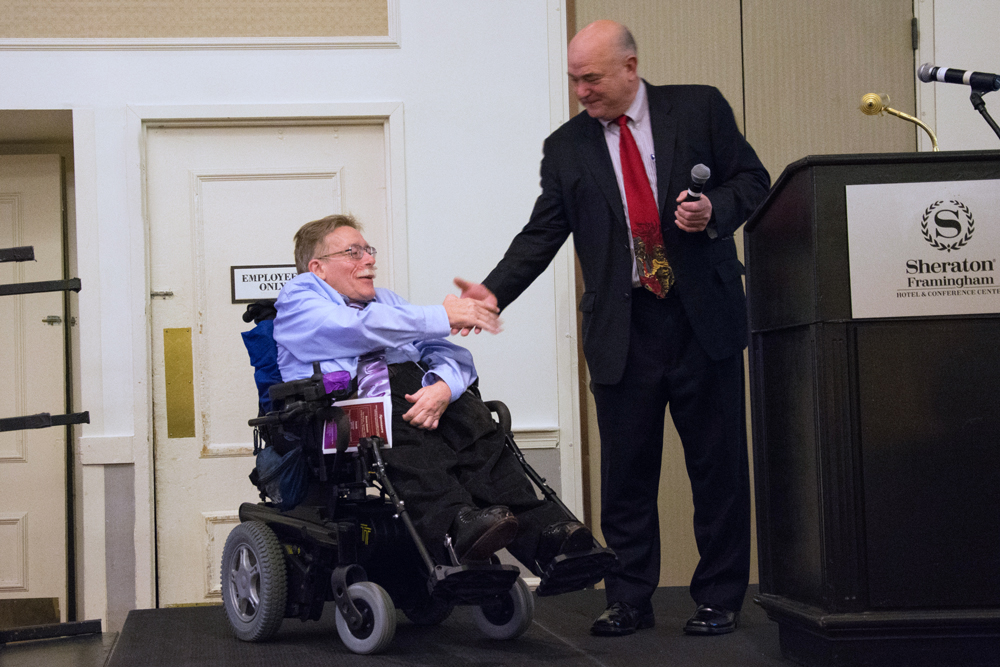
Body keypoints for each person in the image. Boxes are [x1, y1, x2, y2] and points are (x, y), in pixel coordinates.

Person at [455, 21, 770, 636]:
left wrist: (713, 212)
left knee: (718, 468)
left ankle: (719, 598)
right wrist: (492, 293)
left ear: (630, 68)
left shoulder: (699, 106)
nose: (580, 91)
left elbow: (753, 182)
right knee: (626, 475)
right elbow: (542, 234)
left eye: (591, 77)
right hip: (623, 328)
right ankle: (629, 598)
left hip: (700, 317)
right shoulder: (566, 146)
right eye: (573, 79)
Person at [272, 213, 613, 594]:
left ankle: (549, 538)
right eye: (353, 252)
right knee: (406, 435)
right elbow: (355, 330)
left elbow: (449, 354)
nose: (368, 260)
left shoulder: (386, 301)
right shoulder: (299, 299)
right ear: (317, 267)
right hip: (346, 404)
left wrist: (443, 388)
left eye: (368, 250)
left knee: (477, 426)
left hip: (414, 390)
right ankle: (457, 528)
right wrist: (443, 314)